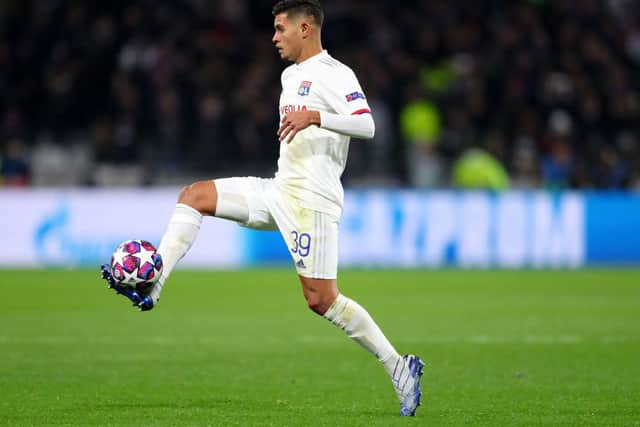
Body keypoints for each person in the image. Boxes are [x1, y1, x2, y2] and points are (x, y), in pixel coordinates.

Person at [100, 0, 424, 416]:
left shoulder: (336, 74)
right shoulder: (291, 76)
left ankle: (399, 366)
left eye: (279, 29)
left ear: (305, 28)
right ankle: (155, 281)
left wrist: (317, 117)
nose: (273, 38)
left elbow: (367, 124)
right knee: (194, 196)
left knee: (321, 300)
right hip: (279, 189)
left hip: (312, 201)